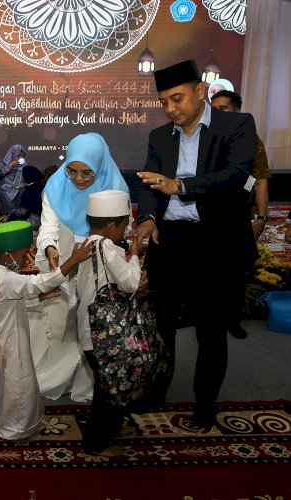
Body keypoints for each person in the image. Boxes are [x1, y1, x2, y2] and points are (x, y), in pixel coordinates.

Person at [134, 60, 258, 430]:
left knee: (211, 330)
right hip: (170, 242)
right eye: (163, 102)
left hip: (216, 244)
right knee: (162, 325)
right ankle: (157, 393)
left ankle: (205, 407)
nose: (171, 109)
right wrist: (149, 217)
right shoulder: (159, 136)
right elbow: (149, 183)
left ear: (201, 91)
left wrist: (181, 186)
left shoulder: (237, 125)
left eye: (177, 98)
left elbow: (236, 175)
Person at [30, 133, 129, 403]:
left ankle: (88, 384)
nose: (79, 179)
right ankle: (60, 375)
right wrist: (50, 247)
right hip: (65, 259)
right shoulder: (56, 185)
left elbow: (124, 228)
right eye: (72, 171)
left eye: (87, 172)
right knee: (62, 318)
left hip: (100, 264)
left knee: (92, 323)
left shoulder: (116, 188)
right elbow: (48, 225)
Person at [0, 220, 93, 440]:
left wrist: (38, 299)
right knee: (19, 384)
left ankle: (7, 420)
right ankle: (16, 429)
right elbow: (40, 283)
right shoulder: (8, 278)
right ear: (8, 256)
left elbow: (12, 302)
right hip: (12, 343)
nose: (27, 259)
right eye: (24, 255)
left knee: (9, 383)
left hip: (6, 339)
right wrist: (73, 260)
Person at [76, 190, 143, 456]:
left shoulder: (85, 244)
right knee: (108, 390)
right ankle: (94, 442)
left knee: (108, 384)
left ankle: (112, 426)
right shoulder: (106, 246)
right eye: (125, 224)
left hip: (89, 328)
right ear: (113, 226)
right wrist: (135, 255)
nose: (125, 230)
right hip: (107, 333)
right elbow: (130, 283)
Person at [210, 90, 271, 242]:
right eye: (213, 109)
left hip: (237, 211)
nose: (217, 114)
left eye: (223, 108)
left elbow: (260, 181)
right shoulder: (202, 137)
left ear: (237, 112)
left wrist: (262, 219)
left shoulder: (252, 142)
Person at [0, 144, 27, 216]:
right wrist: (10, 166)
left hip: (18, 188)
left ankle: (17, 215)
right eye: (18, 156)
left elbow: (26, 177)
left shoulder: (24, 165)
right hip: (5, 188)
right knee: (3, 191)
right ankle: (8, 215)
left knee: (24, 192)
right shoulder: (4, 163)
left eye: (22, 156)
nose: (20, 158)